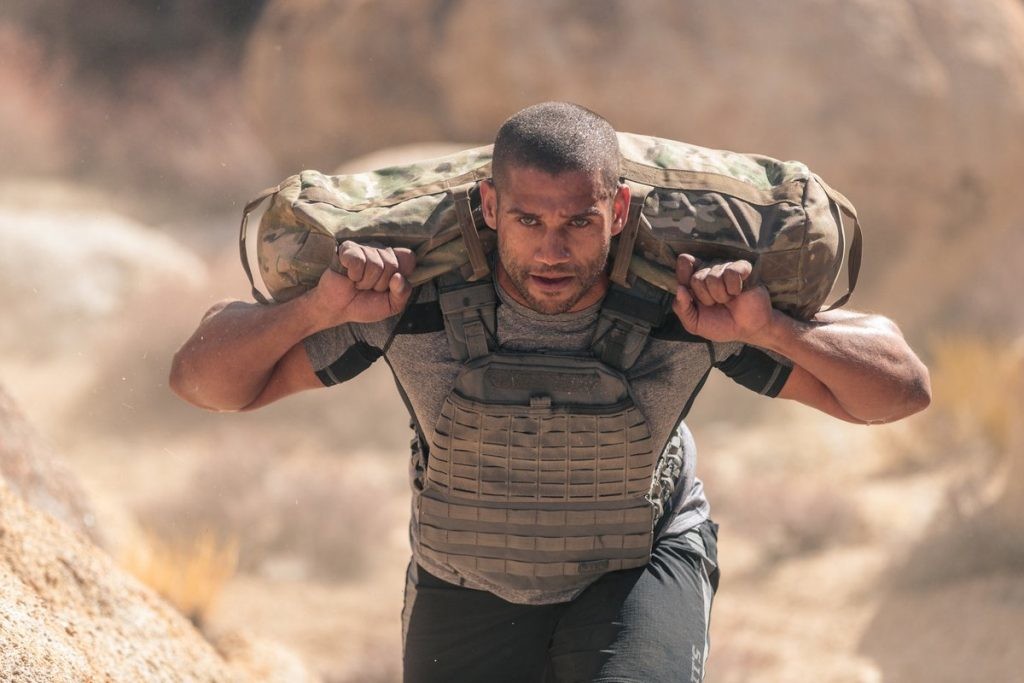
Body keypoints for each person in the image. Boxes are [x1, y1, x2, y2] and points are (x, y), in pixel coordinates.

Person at [170, 101, 930, 682]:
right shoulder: (414, 296)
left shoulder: (683, 294)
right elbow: (207, 386)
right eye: (528, 220)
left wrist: (773, 331)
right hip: (467, 575)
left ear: (620, 211)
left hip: (638, 566)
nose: (553, 249)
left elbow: (899, 392)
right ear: (489, 207)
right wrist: (318, 310)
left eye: (580, 222)